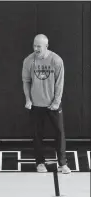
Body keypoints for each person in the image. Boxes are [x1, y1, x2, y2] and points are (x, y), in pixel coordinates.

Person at [22, 34, 71, 174]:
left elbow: (59, 84)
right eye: (34, 45)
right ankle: (40, 163)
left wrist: (56, 102)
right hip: (36, 105)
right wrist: (28, 99)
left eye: (39, 46)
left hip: (53, 105)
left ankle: (62, 164)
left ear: (46, 46)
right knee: (37, 134)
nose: (36, 48)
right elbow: (26, 81)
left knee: (60, 133)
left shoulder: (56, 60)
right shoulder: (28, 61)